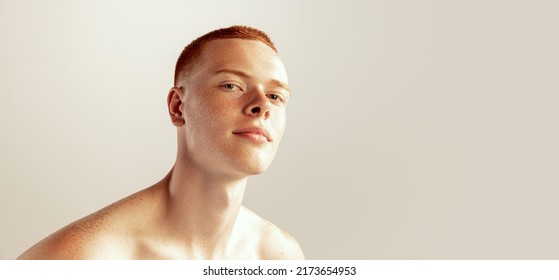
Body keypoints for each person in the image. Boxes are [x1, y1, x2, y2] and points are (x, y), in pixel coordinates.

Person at [17, 25, 304, 260]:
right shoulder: (84, 258)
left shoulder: (278, 257)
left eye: (275, 96)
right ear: (178, 107)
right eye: (231, 85)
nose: (262, 105)